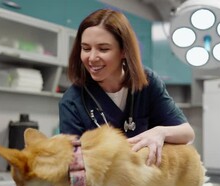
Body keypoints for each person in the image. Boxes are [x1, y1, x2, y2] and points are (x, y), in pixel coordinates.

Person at [58, 8, 194, 167]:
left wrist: (160, 132)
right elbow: (73, 166)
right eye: (86, 48)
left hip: (145, 185)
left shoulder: (147, 82)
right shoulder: (72, 102)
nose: (92, 58)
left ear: (123, 50)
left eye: (103, 49)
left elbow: (187, 133)